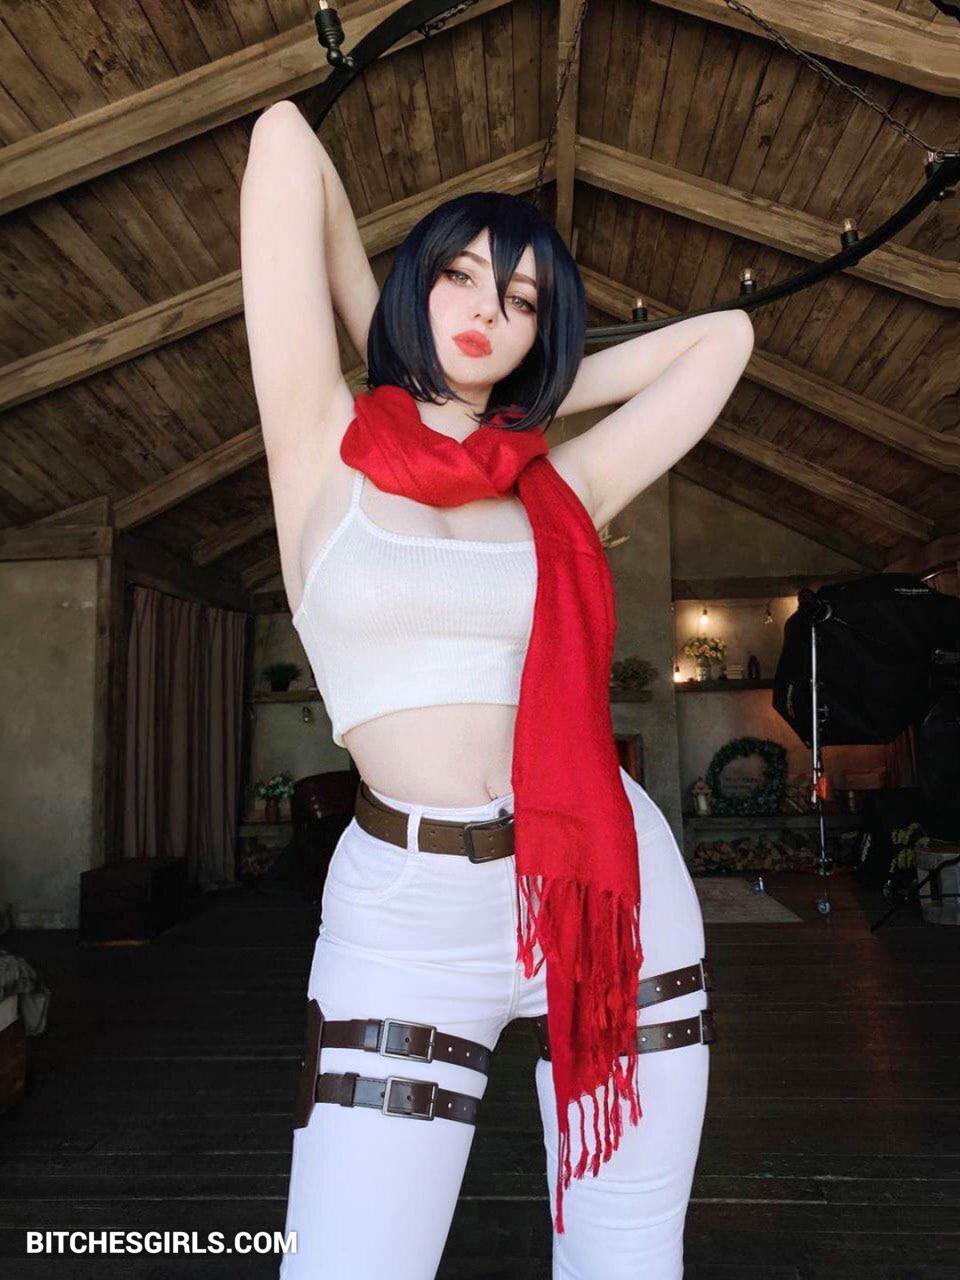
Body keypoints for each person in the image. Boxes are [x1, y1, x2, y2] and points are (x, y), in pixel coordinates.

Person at [240, 98, 755, 1280]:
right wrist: (403, 348)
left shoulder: (559, 485)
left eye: (521, 300)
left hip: (604, 888)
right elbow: (282, 142)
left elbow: (722, 339)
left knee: (628, 1259)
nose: (486, 310)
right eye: (460, 278)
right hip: (407, 913)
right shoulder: (321, 444)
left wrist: (531, 384)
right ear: (411, 286)